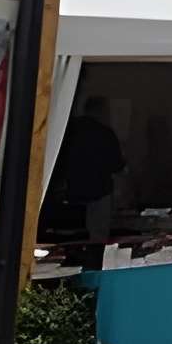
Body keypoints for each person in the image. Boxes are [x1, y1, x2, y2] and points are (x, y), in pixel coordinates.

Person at [54, 95, 126, 247]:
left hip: (71, 191)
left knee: (69, 238)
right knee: (98, 236)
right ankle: (96, 259)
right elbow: (117, 165)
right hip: (99, 192)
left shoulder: (69, 131)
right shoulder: (105, 133)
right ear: (101, 111)